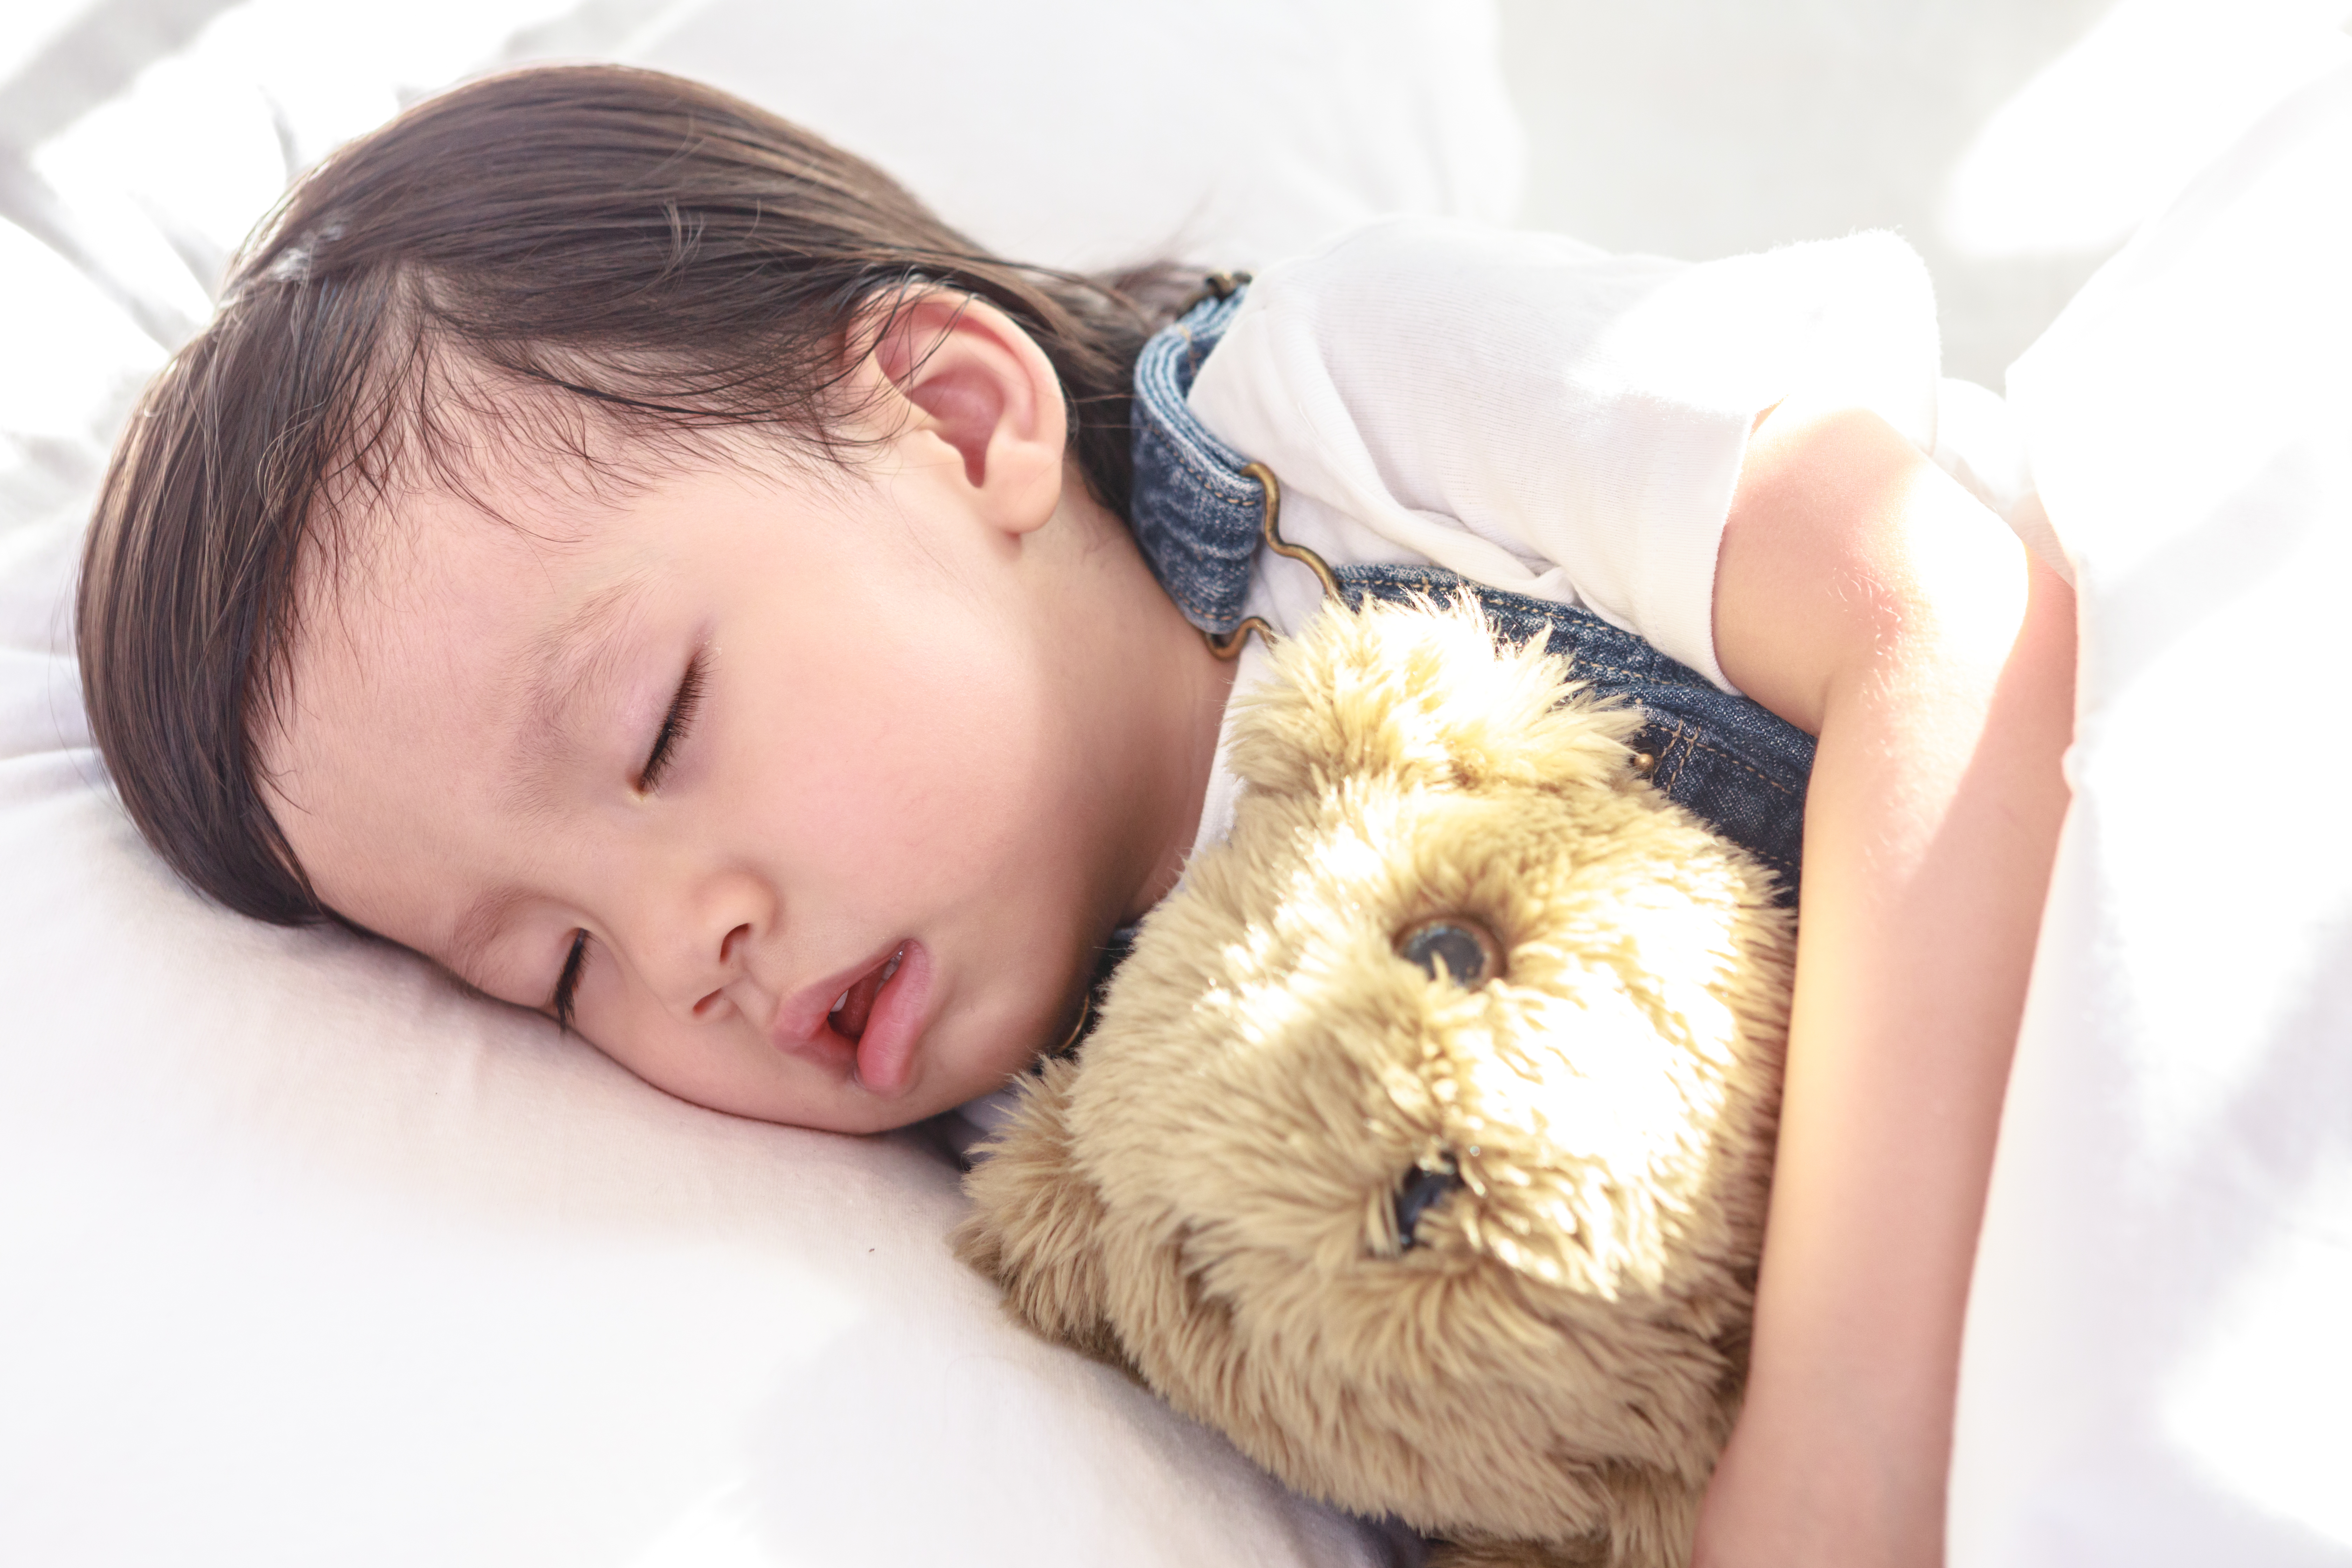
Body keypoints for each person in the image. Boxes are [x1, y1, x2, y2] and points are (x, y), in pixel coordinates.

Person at [74, 65, 2075, 1568]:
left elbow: (1945, 615)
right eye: (557, 964)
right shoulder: (1043, 1169)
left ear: (957, 422)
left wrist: (1837, 1452)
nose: (690, 951)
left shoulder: (1350, 409)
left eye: (663, 726)